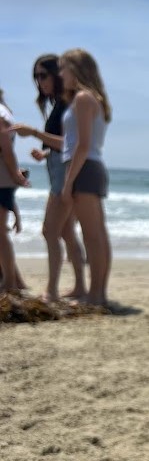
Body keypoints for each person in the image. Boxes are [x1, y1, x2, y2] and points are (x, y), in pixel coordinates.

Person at [13, 55, 86, 302]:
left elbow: (72, 144)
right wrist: (45, 152)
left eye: (43, 75)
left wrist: (34, 133)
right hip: (61, 170)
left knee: (49, 230)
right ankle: (79, 287)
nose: (39, 81)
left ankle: (52, 290)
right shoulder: (60, 104)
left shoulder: (69, 103)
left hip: (66, 175)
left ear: (57, 74)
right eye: (35, 76)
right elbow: (64, 146)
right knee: (65, 231)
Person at [60, 49, 112, 306]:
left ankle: (95, 295)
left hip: (85, 168)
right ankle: (98, 293)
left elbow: (81, 145)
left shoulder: (83, 98)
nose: (61, 75)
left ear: (76, 69)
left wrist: (68, 182)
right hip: (92, 166)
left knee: (93, 236)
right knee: (98, 235)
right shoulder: (94, 98)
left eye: (64, 68)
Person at [0, 88, 30, 295]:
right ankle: (15, 281)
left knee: (0, 233)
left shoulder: (1, 114)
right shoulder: (4, 111)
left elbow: (6, 149)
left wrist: (15, 174)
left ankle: (9, 283)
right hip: (4, 178)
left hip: (1, 179)